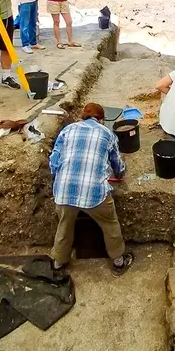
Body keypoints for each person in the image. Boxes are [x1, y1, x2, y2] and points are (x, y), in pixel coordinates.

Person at [49, 102, 134, 276]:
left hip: (64, 192)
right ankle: (118, 262)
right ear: (101, 119)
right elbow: (117, 165)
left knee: (64, 225)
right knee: (110, 224)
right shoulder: (107, 133)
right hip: (94, 194)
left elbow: (54, 161)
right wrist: (120, 174)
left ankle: (58, 263)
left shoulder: (67, 130)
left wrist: (62, 176)